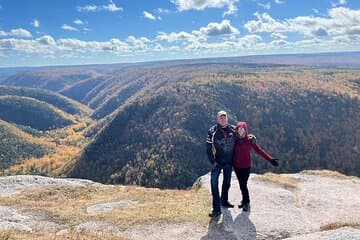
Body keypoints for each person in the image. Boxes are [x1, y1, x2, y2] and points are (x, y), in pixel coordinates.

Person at [233, 121, 279, 212]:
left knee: (243, 184)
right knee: (241, 184)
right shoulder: (234, 138)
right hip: (236, 166)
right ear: (236, 129)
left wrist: (270, 159)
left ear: (246, 130)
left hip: (246, 166)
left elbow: (259, 151)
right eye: (239, 128)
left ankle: (247, 202)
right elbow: (228, 128)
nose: (240, 131)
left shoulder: (250, 140)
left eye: (242, 129)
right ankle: (244, 200)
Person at [206, 110, 235, 218]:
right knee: (214, 183)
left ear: (227, 118)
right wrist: (212, 161)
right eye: (221, 118)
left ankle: (224, 201)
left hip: (229, 161)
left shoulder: (233, 129)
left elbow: (243, 136)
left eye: (225, 117)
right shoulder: (212, 131)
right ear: (217, 119)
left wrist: (250, 138)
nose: (223, 119)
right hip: (217, 162)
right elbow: (208, 148)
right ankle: (216, 209)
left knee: (227, 183)